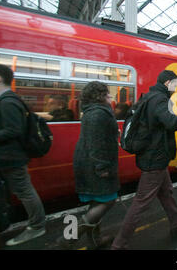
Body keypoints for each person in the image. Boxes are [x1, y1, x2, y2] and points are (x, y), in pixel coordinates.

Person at [111, 70, 177, 250]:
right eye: (174, 84)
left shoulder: (149, 96)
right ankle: (119, 244)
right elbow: (171, 122)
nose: (175, 88)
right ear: (167, 82)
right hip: (154, 158)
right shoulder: (159, 100)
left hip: (154, 156)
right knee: (141, 202)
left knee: (166, 192)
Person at [59, 81, 120, 249]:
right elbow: (96, 144)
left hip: (89, 161)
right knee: (108, 201)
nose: (110, 96)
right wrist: (102, 168)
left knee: (96, 201)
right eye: (107, 93)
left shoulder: (93, 112)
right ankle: (70, 237)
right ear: (99, 96)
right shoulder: (98, 114)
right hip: (94, 164)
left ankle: (95, 241)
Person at [0, 64, 46, 246]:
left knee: (24, 191)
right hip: (7, 157)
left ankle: (37, 225)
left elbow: (13, 130)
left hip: (12, 157)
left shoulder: (8, 101)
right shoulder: (6, 99)